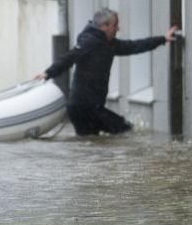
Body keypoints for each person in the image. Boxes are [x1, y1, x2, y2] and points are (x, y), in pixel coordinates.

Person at [37, 8, 178, 135]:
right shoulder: (89, 41)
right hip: (84, 108)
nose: (118, 28)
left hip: (87, 108)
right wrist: (48, 73)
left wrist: (162, 39)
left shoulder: (109, 44)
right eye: (115, 25)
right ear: (104, 27)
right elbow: (69, 58)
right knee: (126, 132)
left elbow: (134, 46)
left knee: (92, 145)